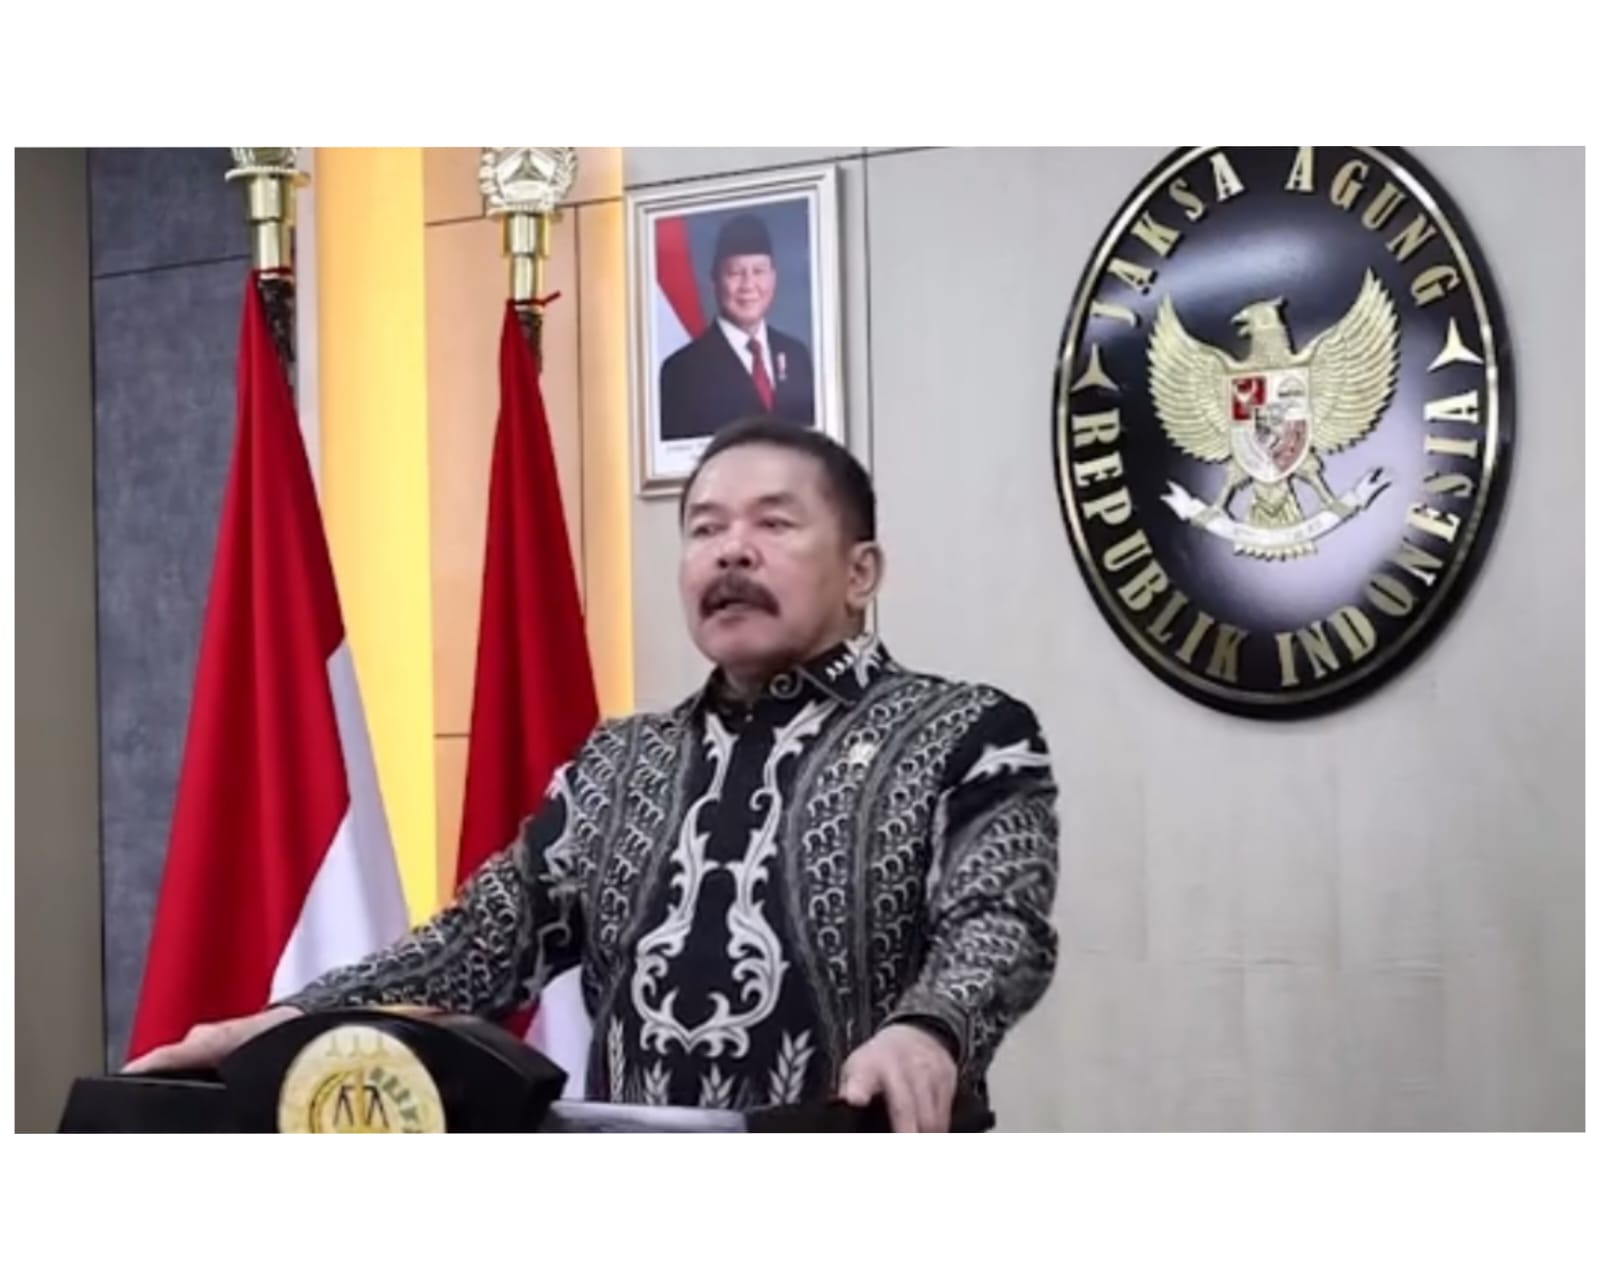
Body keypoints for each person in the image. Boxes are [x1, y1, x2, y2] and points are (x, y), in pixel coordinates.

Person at [127, 418, 1061, 1132]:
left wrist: (930, 1027)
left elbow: (1000, 925)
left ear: (861, 572)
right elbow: (476, 946)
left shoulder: (968, 732)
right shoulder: (617, 763)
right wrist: (286, 1019)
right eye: (704, 528)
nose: (731, 549)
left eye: (774, 523)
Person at [658, 213, 816, 441]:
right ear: (715, 279)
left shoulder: (796, 355)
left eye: (759, 271)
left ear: (774, 276)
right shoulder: (682, 371)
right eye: (735, 273)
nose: (748, 285)